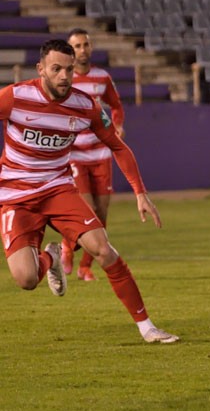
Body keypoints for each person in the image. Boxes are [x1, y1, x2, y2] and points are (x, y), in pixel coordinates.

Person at [0, 39, 179, 344]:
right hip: (16, 195)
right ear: (40, 69)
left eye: (69, 69)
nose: (64, 76)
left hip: (58, 189)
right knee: (26, 279)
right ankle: (50, 259)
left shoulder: (85, 105)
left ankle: (147, 327)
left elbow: (117, 146)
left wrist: (139, 192)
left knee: (103, 248)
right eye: (56, 69)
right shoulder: (15, 96)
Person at [59, 28, 125, 281]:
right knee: (86, 211)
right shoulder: (65, 79)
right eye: (77, 46)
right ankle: (67, 245)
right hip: (75, 155)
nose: (82, 49)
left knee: (102, 213)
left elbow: (116, 105)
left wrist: (117, 125)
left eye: (86, 44)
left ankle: (85, 267)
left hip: (100, 154)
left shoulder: (101, 77)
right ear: (70, 51)